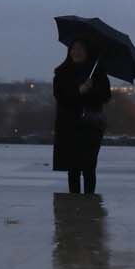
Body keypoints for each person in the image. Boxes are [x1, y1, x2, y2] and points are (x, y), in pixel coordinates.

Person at [52, 39, 112, 195]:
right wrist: (79, 91)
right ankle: (76, 201)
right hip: (70, 125)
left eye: (80, 49)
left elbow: (106, 96)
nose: (76, 52)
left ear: (87, 52)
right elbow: (60, 96)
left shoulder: (98, 73)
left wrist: (91, 89)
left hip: (90, 125)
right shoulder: (61, 73)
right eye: (73, 48)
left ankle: (87, 200)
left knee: (89, 167)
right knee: (73, 168)